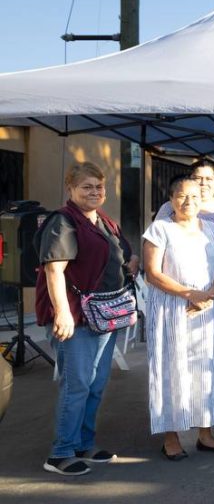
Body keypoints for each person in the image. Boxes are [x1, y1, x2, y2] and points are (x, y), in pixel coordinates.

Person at [37, 162, 135, 476]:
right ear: (71, 190)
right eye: (86, 187)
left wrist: (128, 261)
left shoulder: (104, 221)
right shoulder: (63, 222)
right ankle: (60, 453)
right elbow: (54, 270)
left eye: (98, 187)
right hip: (76, 317)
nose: (94, 192)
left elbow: (120, 255)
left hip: (106, 314)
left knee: (96, 384)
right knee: (76, 385)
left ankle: (83, 444)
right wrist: (62, 312)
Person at [144, 176, 214, 460]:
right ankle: (171, 436)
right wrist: (190, 294)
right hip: (171, 309)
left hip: (209, 308)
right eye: (181, 196)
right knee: (171, 371)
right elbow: (153, 273)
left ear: (202, 201)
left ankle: (205, 433)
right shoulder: (160, 229)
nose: (188, 201)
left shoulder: (212, 228)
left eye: (194, 196)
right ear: (171, 199)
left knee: (207, 370)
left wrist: (209, 295)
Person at [155, 159, 214, 229]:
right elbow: (154, 238)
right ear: (189, 178)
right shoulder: (171, 206)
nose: (203, 183)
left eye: (209, 179)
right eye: (198, 178)